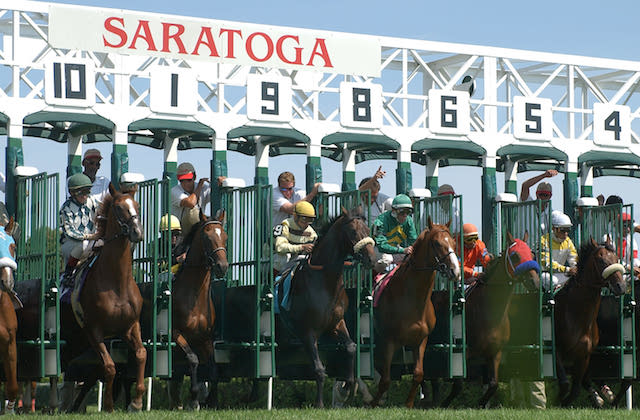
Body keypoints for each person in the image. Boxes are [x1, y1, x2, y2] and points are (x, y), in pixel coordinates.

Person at [59, 173, 100, 288]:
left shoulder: (92, 201)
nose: (85, 196)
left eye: (87, 192)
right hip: (70, 244)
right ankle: (68, 273)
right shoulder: (65, 208)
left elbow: (102, 211)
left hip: (91, 241)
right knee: (82, 245)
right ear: (72, 193)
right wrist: (90, 237)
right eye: (82, 193)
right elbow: (70, 232)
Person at [372, 194, 418, 273]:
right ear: (394, 210)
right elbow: (381, 246)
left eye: (408, 211)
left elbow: (413, 241)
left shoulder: (409, 221)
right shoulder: (381, 220)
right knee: (387, 259)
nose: (405, 215)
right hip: (377, 250)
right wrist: (402, 250)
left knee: (415, 258)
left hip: (396, 249)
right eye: (402, 211)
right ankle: (373, 278)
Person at [273, 200, 318, 276]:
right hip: (269, 261)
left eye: (310, 219)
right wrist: (301, 247)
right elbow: (280, 248)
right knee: (284, 256)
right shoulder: (284, 226)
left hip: (291, 262)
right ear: (295, 216)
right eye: (304, 218)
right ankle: (274, 282)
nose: (306, 223)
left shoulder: (312, 233)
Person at [540, 211, 578, 291]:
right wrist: (567, 269)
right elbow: (547, 264)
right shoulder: (544, 240)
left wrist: (575, 268)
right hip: (545, 274)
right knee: (553, 281)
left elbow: (574, 259)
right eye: (563, 230)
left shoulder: (568, 242)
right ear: (554, 228)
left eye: (568, 230)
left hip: (561, 274)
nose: (566, 233)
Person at [171, 162, 210, 236]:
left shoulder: (204, 188)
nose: (186, 183)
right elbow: (191, 203)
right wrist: (200, 185)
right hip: (179, 232)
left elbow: (216, 195)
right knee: (193, 211)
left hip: (199, 230)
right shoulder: (174, 191)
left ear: (194, 177)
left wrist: (220, 184)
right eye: (182, 180)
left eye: (189, 180)